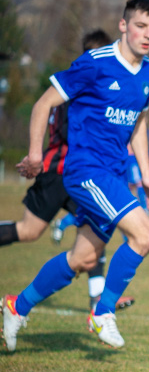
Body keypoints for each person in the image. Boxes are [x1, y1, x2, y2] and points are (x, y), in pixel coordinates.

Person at [2, 0, 149, 352]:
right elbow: (44, 103)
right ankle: (102, 312)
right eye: (140, 26)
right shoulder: (95, 63)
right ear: (123, 25)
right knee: (144, 236)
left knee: (84, 258)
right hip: (85, 171)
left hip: (116, 175)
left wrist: (147, 176)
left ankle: (17, 305)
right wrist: (34, 153)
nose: (147, 35)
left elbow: (138, 123)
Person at [0, 29, 134, 312]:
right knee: (29, 231)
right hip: (60, 174)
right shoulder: (77, 91)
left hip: (85, 177)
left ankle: (99, 299)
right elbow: (68, 129)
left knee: (98, 229)